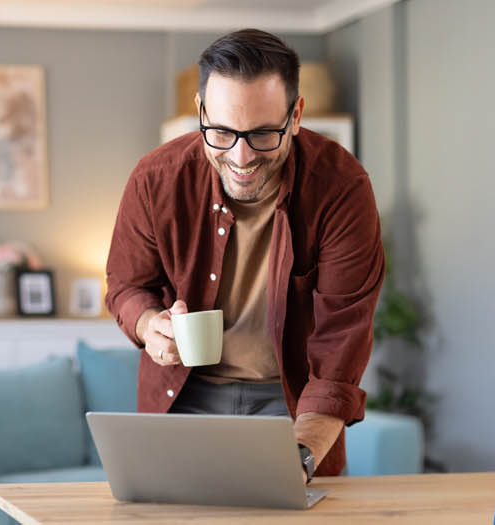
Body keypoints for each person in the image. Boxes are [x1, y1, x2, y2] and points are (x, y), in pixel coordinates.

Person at [104, 28, 384, 481]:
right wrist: (147, 324)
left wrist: (303, 456)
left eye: (261, 134)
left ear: (296, 115)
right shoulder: (156, 179)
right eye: (221, 132)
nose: (241, 156)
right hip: (183, 397)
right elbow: (126, 285)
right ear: (200, 112)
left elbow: (342, 341)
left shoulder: (341, 188)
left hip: (294, 404)